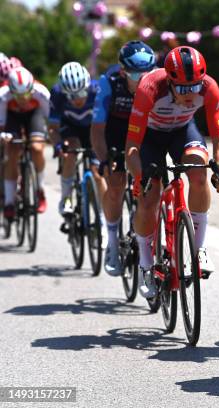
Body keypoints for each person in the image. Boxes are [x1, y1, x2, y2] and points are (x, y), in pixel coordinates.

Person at [125, 46, 219, 299]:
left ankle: (199, 248)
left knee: (199, 173)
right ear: (170, 82)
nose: (189, 94)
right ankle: (146, 264)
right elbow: (131, 147)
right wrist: (140, 179)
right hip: (150, 138)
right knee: (149, 198)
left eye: (194, 87)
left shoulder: (209, 87)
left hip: (183, 131)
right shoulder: (149, 87)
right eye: (183, 88)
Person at [91, 40, 156, 276]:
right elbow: (97, 129)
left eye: (146, 72)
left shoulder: (157, 84)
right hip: (115, 132)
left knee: (152, 187)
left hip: (145, 132)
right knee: (116, 184)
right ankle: (111, 242)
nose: (141, 78)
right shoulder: (109, 85)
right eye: (134, 73)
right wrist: (104, 159)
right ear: (122, 71)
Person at [49, 62, 106, 221]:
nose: (78, 99)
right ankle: (66, 198)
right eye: (72, 96)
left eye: (82, 93)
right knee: (70, 153)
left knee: (98, 172)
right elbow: (53, 128)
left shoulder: (97, 90)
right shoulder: (57, 94)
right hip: (70, 128)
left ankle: (103, 216)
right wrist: (59, 145)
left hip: (93, 128)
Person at [0, 67, 50, 219]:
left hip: (34, 115)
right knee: (13, 151)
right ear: (11, 90)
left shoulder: (42, 92)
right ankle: (9, 201)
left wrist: (49, 134)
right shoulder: (3, 96)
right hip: (12, 117)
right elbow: (2, 124)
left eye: (27, 94)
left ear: (31, 87)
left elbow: (50, 118)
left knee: (36, 147)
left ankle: (40, 190)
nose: (23, 99)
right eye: (18, 96)